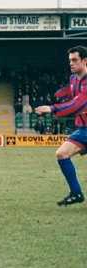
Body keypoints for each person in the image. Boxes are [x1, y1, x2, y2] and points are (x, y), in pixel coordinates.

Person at [35, 46, 87, 206]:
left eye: (74, 60)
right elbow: (73, 95)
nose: (71, 63)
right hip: (84, 129)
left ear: (85, 61)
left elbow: (79, 104)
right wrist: (60, 94)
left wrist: (52, 108)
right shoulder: (73, 79)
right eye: (69, 60)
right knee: (62, 154)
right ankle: (76, 193)